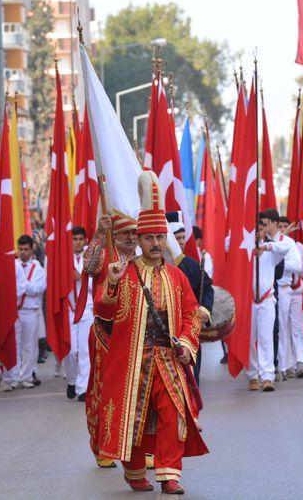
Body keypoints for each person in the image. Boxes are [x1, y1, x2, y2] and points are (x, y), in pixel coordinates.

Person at [94, 171, 207, 494]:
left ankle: (170, 475)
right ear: (140, 240)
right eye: (149, 238)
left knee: (172, 414)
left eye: (160, 237)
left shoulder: (177, 276)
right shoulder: (123, 272)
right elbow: (103, 312)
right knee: (135, 420)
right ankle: (134, 473)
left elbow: (190, 314)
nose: (156, 244)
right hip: (132, 360)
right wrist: (112, 283)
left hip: (168, 358)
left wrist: (186, 342)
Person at [81, 212, 139, 469]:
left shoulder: (142, 260)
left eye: (134, 233)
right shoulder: (105, 255)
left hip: (136, 334)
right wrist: (97, 234)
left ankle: (141, 448)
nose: (131, 237)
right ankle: (102, 446)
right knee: (103, 392)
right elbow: (88, 266)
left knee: (139, 391)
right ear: (114, 235)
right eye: (125, 233)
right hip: (105, 334)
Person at [247, 209, 301, 392]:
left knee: (266, 338)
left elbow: (285, 249)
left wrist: (266, 246)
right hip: (249, 301)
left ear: (270, 225)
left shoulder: (273, 248)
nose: (260, 229)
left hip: (267, 299)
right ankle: (253, 375)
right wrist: (251, 241)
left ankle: (267, 376)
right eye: (258, 226)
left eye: (263, 225)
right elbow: (228, 243)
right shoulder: (246, 247)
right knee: (250, 339)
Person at [166, 212, 213, 386]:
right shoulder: (155, 267)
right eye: (177, 238)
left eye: (183, 237)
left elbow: (207, 288)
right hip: (163, 335)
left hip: (189, 330)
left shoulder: (191, 265)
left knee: (192, 381)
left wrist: (205, 309)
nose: (181, 242)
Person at [5, 235, 47, 390]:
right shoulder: (13, 265)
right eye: (20, 249)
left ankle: (27, 376)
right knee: (15, 345)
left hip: (30, 311)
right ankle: (15, 376)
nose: (23, 252)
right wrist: (25, 286)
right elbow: (9, 287)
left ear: (32, 249)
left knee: (29, 346)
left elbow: (38, 289)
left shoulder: (38, 267)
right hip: (15, 310)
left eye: (26, 249)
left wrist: (21, 285)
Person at [276, 216, 303, 379]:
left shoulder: (298, 246)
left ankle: (300, 362)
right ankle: (287, 364)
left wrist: (284, 264)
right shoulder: (275, 245)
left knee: (297, 327)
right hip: (281, 290)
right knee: (283, 328)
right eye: (280, 226)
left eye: (285, 226)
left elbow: (301, 268)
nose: (283, 229)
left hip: (297, 290)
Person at [64, 226, 93, 401]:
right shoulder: (63, 258)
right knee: (70, 350)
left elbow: (95, 285)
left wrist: (81, 278)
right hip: (69, 308)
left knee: (84, 350)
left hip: (86, 308)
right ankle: (72, 380)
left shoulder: (90, 258)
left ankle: (83, 388)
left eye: (81, 239)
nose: (77, 242)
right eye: (74, 239)